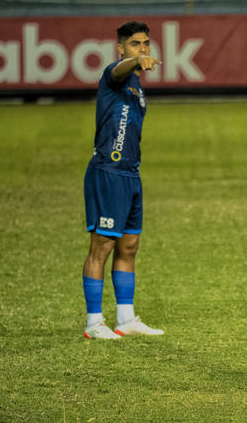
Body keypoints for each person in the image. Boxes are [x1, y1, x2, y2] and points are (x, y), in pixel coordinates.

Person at [81, 21, 164, 339]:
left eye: (145, 44)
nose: (142, 49)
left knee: (129, 246)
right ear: (120, 48)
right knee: (102, 246)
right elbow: (119, 71)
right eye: (134, 44)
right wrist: (133, 62)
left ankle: (126, 319)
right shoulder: (114, 76)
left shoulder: (136, 87)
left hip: (131, 175)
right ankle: (93, 322)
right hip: (107, 173)